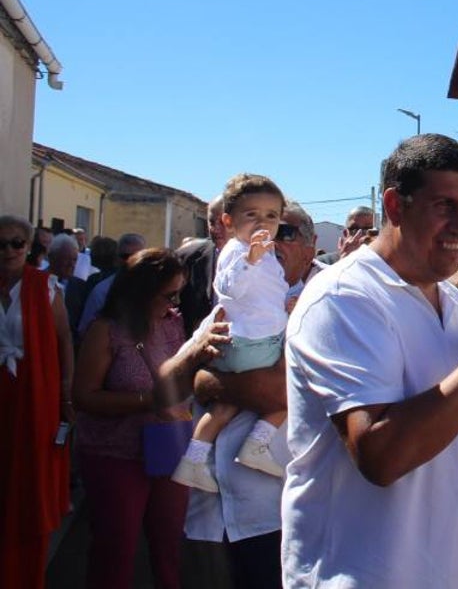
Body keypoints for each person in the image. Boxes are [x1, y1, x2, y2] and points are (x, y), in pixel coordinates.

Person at [282, 134, 458, 587]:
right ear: (395, 205)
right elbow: (381, 457)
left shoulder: (456, 303)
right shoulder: (345, 297)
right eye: (444, 205)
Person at [72, 248, 191, 589]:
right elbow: (84, 397)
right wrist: (147, 401)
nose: (175, 302)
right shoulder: (105, 330)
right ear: (142, 291)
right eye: (169, 294)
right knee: (115, 554)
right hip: (115, 454)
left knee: (168, 549)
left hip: (167, 449)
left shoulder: (173, 323)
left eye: (179, 293)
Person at [173, 174, 290, 491]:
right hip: (253, 343)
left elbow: (265, 295)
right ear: (228, 220)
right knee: (290, 393)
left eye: (271, 215)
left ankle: (193, 460)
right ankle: (258, 443)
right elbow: (228, 288)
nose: (262, 223)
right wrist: (250, 261)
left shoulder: (263, 253)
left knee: (225, 407)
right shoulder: (238, 252)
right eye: (251, 215)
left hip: (247, 342)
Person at [0, 215, 73, 589]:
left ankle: (24, 574)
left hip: (33, 396)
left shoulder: (45, 287)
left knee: (29, 482)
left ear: (29, 248)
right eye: (3, 244)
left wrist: (65, 390)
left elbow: (63, 341)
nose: (10, 250)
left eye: (17, 243)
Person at [177, 195, 228, 335]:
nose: (216, 229)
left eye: (223, 222)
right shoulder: (187, 257)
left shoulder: (264, 261)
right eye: (211, 222)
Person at [78, 232, 147, 335]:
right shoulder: (102, 291)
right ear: (117, 258)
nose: (131, 260)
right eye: (125, 256)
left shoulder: (155, 288)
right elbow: (85, 329)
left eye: (137, 256)